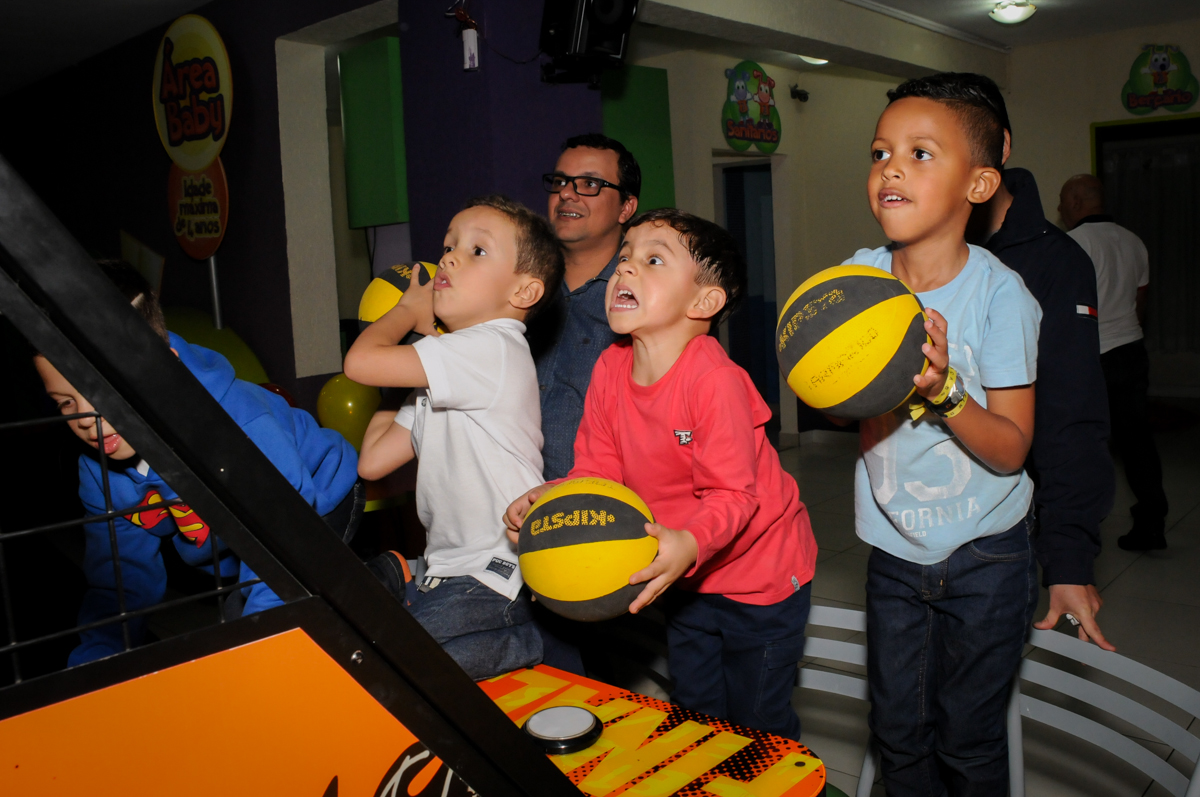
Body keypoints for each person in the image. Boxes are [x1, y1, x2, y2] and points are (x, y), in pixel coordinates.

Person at [505, 209, 818, 740]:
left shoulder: (713, 380)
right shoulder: (609, 366)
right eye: (625, 257)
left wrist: (691, 541)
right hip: (684, 572)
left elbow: (732, 494)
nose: (625, 269)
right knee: (696, 710)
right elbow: (597, 472)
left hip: (760, 576)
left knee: (757, 720)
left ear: (704, 303)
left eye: (653, 260)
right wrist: (549, 499)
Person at [842, 77, 1042, 794]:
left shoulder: (1000, 296)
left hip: (988, 551)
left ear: (979, 183)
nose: (891, 167)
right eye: (880, 151)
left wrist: (942, 390)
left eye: (920, 153)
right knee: (898, 732)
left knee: (969, 738)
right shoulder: (855, 281)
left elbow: (1012, 446)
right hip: (893, 547)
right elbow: (830, 398)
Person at [35, 260, 361, 667]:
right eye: (66, 403)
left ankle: (377, 584)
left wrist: (261, 638)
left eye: (102, 389)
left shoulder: (236, 425)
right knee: (232, 632)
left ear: (164, 367)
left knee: (276, 633)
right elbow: (120, 580)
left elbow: (285, 543)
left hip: (317, 497)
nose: (85, 419)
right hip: (234, 536)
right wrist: (95, 666)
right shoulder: (97, 470)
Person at [345, 195, 564, 681]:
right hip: (447, 568)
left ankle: (524, 637)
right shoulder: (448, 366)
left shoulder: (492, 346)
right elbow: (374, 461)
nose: (448, 257)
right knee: (375, 652)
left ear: (524, 292)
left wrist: (405, 311)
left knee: (405, 670)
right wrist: (406, 365)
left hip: (498, 570)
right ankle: (416, 587)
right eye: (448, 245)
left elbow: (358, 362)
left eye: (476, 250)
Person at [960, 74, 1116, 650]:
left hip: (1005, 529)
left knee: (976, 724)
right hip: (911, 536)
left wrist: (1069, 555)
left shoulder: (1054, 261)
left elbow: (1069, 416)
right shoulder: (905, 260)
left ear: (997, 150)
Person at [1060, 174, 1168, 551]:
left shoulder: (1072, 244)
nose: (1059, 212)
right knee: (1137, 440)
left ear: (1075, 202)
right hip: (1131, 351)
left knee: (1082, 444)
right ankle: (1153, 522)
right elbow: (1140, 303)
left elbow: (1063, 311)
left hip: (1090, 357)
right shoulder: (1134, 241)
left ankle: (1081, 524)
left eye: (1062, 204)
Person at [530, 133, 640, 481]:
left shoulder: (644, 298)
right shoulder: (515, 288)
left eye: (589, 183)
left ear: (626, 208)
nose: (566, 193)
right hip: (505, 501)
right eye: (560, 181)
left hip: (598, 510)